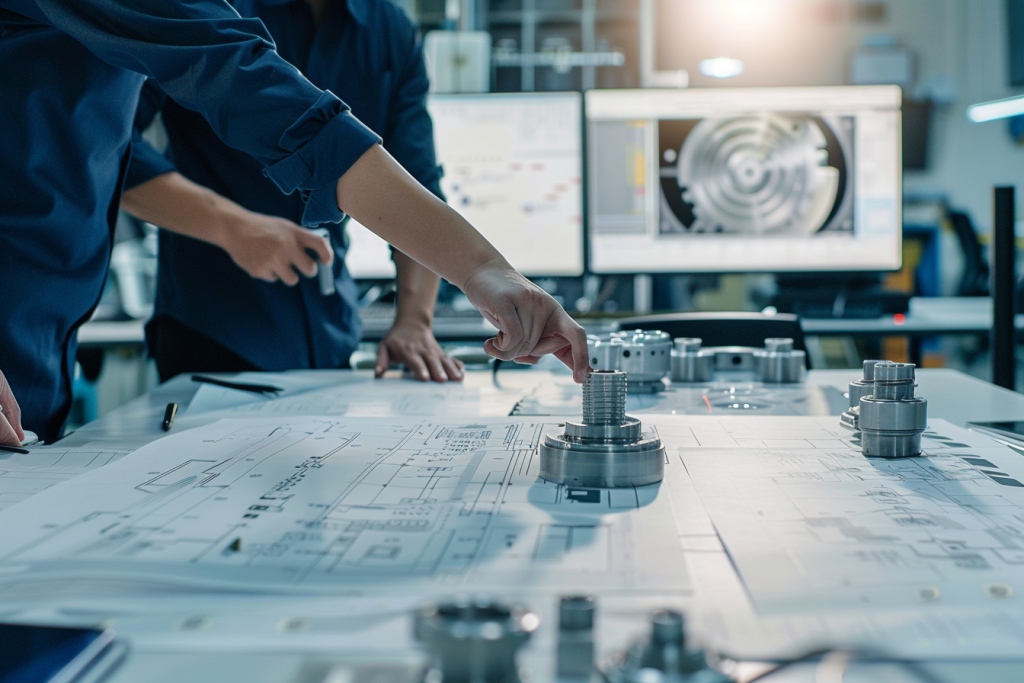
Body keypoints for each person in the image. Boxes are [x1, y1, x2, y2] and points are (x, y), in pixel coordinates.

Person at [0, 0, 589, 447]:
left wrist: (426, 311)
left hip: (37, 348)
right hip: (207, 324)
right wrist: (481, 267)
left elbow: (389, 159)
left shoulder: (385, 31)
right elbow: (253, 86)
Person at [121, 0, 462, 384]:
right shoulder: (208, 9)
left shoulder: (390, 29)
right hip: (214, 334)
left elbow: (417, 182)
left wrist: (415, 321)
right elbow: (114, 149)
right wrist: (232, 227)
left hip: (330, 333)